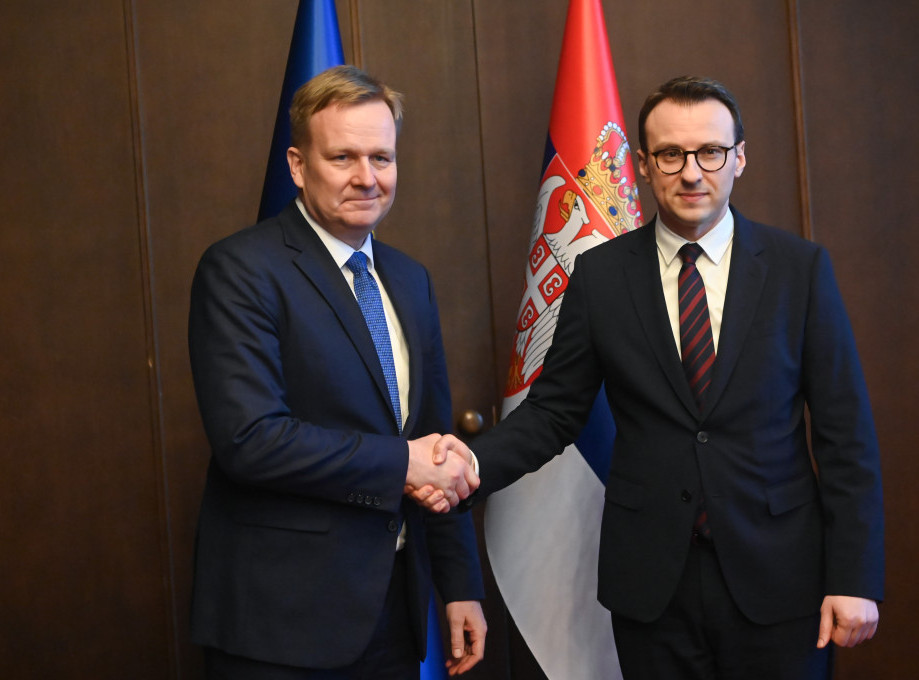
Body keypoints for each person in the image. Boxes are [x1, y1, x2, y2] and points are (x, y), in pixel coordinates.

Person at [425, 75, 884, 679]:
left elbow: (846, 437)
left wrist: (855, 576)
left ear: (739, 157)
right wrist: (469, 466)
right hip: (653, 586)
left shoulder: (799, 271)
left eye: (710, 152)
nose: (691, 173)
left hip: (780, 578)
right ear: (642, 165)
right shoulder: (600, 275)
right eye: (670, 155)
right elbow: (554, 412)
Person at [188, 65, 486, 679]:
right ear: (298, 166)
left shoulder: (409, 279)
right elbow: (251, 441)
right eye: (343, 157)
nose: (366, 178)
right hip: (282, 621)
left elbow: (434, 441)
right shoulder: (240, 270)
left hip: (394, 611)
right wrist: (404, 463)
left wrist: (460, 584)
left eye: (382, 157)